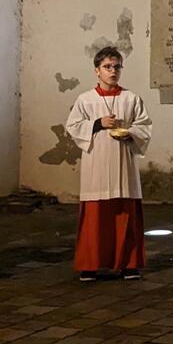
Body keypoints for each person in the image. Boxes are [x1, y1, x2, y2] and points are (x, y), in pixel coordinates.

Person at [65, 46, 152, 282]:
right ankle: (90, 265)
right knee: (96, 216)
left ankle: (129, 264)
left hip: (124, 163)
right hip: (97, 165)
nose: (112, 71)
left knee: (125, 213)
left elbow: (144, 126)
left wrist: (130, 132)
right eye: (107, 67)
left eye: (116, 67)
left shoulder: (131, 98)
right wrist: (97, 123)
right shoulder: (85, 99)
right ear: (97, 71)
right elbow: (72, 126)